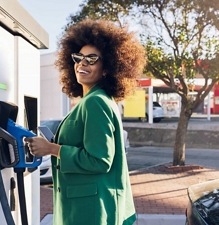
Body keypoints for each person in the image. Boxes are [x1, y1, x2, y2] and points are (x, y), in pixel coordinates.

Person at [25, 19, 146, 225]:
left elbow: (100, 160)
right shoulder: (96, 100)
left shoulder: (95, 102)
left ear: (107, 68)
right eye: (79, 57)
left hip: (90, 211)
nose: (82, 63)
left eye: (92, 59)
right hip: (88, 206)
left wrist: (52, 149)